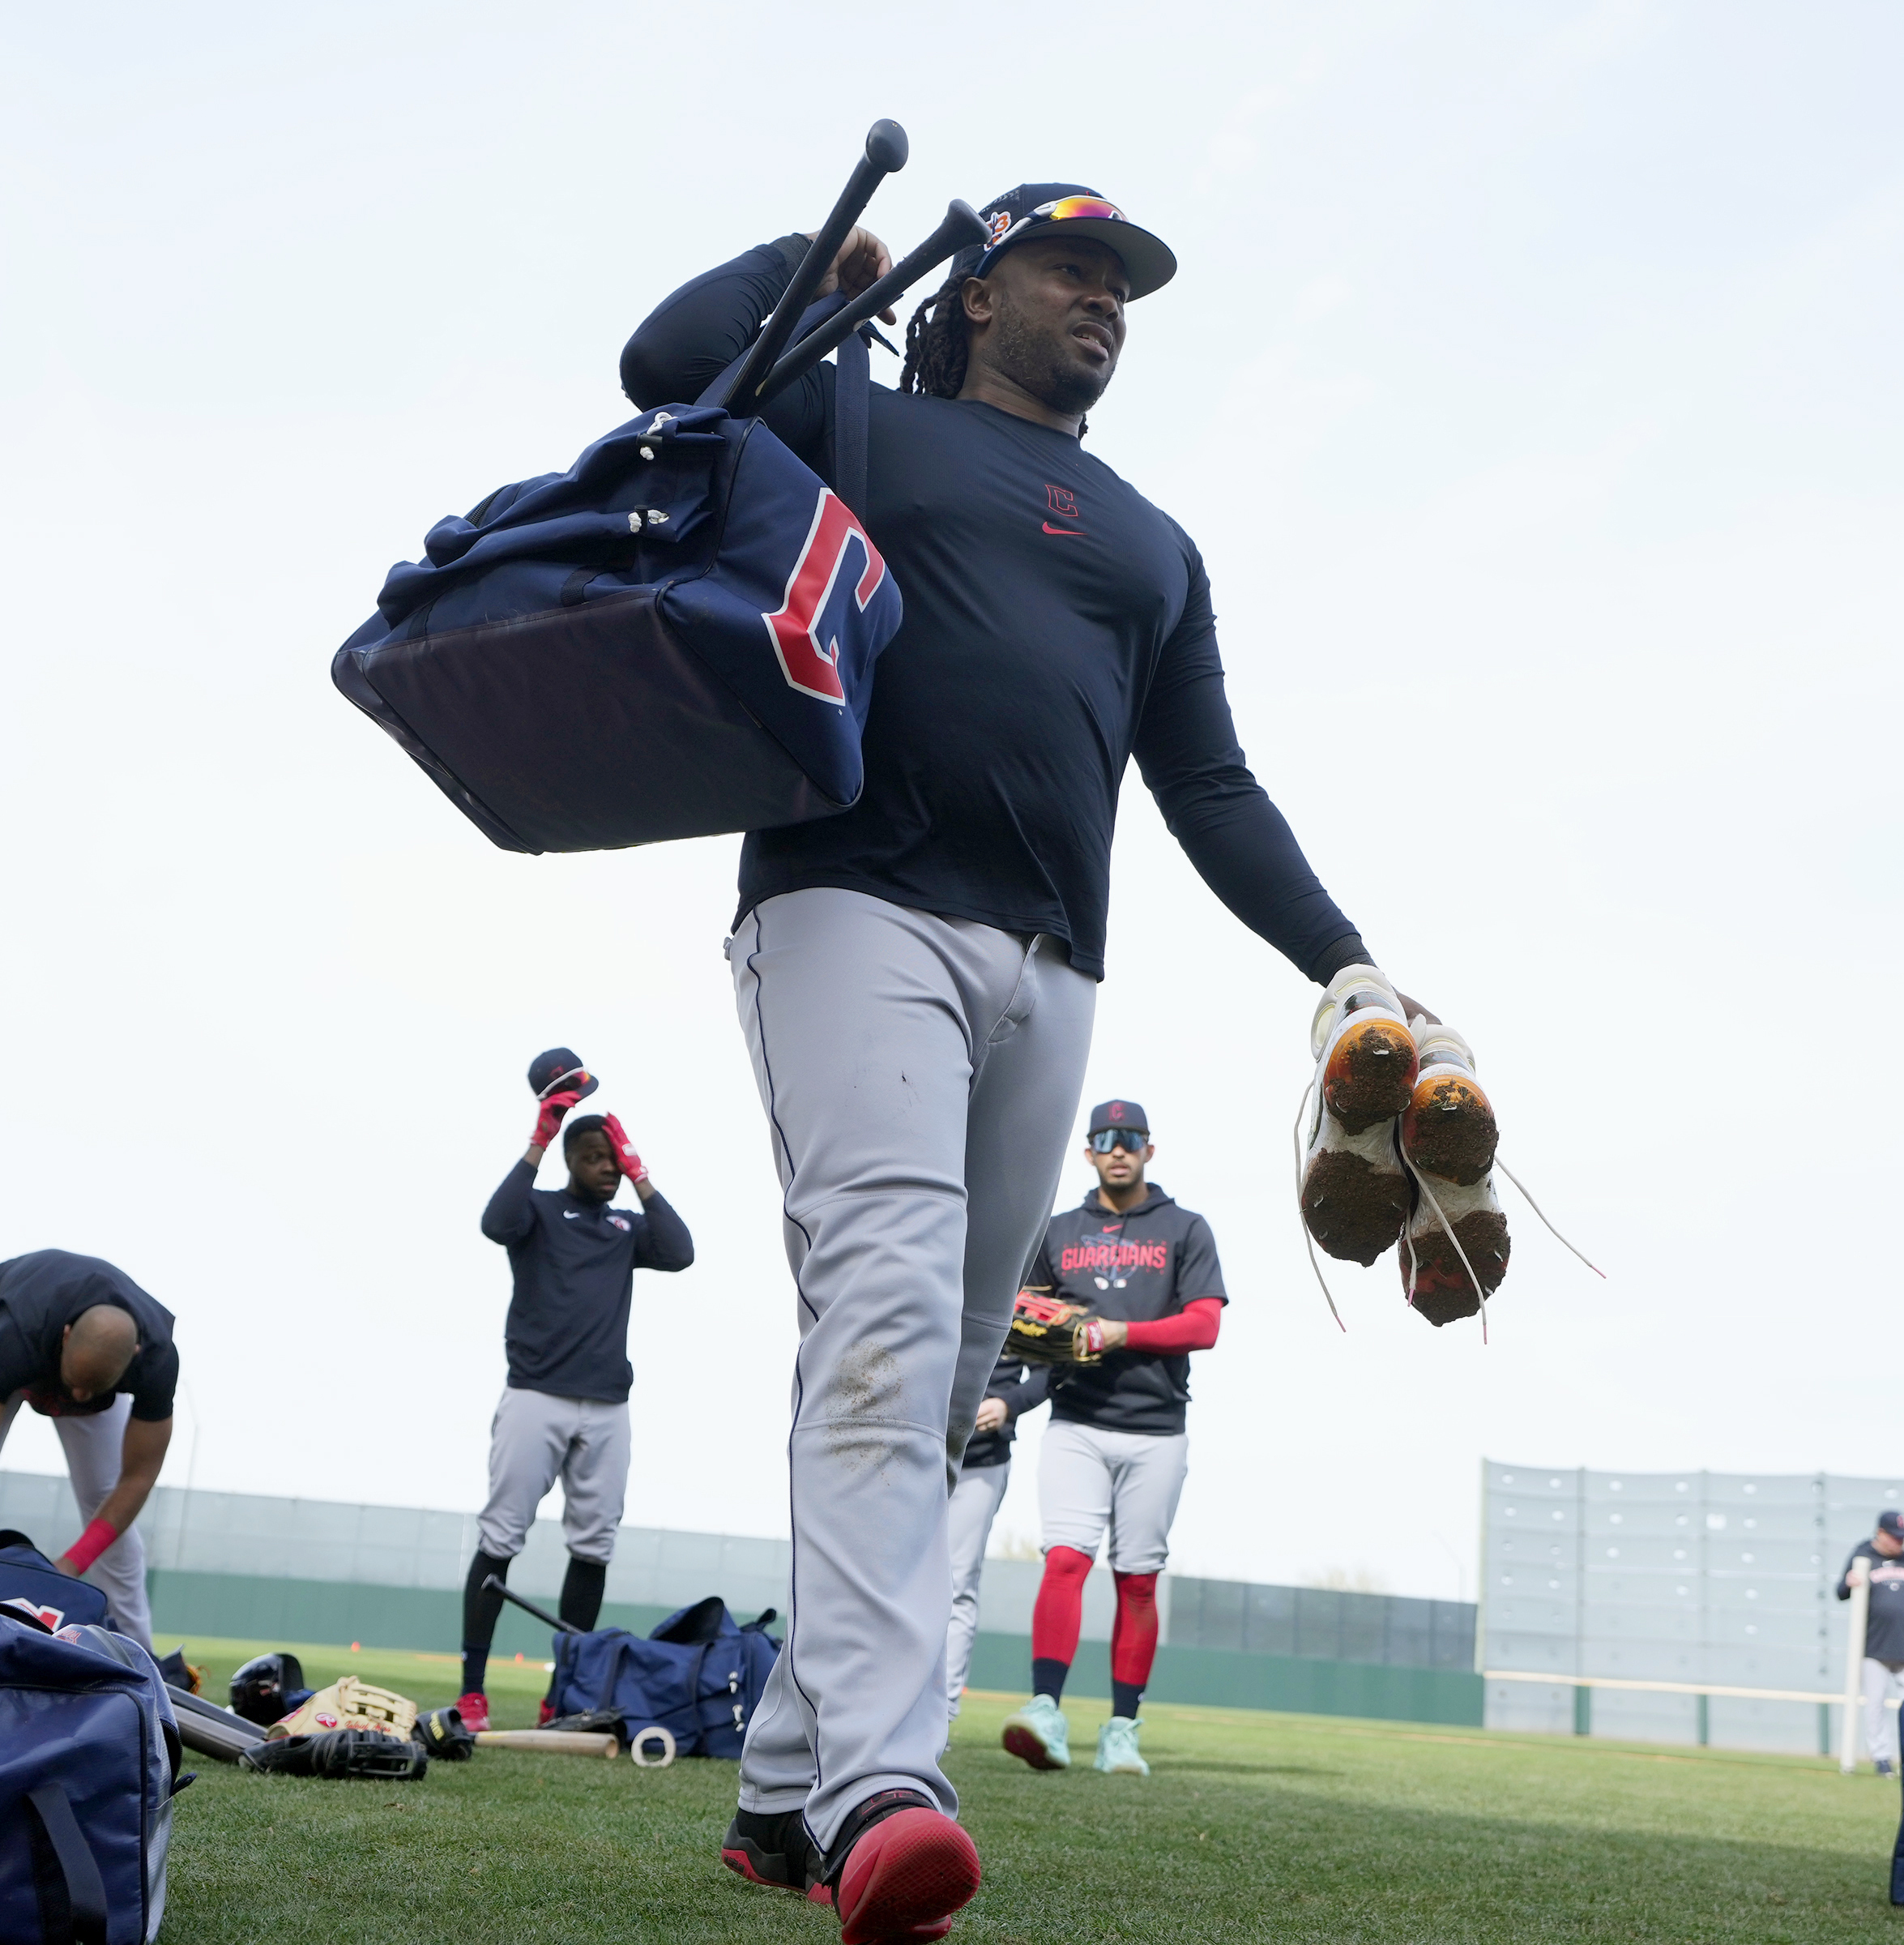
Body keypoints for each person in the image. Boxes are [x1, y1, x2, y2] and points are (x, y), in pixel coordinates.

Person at [625, 186, 1407, 1939]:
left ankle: (770, 1786)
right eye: (1071, 267)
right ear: (973, 295)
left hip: (1054, 966)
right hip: (852, 906)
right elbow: (664, 368)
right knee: (891, 1328)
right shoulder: (860, 418)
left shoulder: (1154, 543)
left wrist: (1346, 964)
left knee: (951, 1377)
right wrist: (813, 274)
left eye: (1124, 283)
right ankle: (876, 1789)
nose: (1106, 299)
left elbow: (1207, 787)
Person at [452, 1049, 694, 1734]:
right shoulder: (535, 1212)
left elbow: (680, 1251)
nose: (608, 1167)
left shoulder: (627, 1229)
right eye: (596, 1156)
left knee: (594, 1547)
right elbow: (495, 1222)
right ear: (569, 1160)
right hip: (536, 1396)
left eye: (614, 1158)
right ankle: (473, 1689)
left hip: (607, 1407)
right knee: (502, 1537)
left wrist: (641, 1169)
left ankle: (570, 1691)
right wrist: (540, 1134)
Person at [1000, 1098, 1225, 1780]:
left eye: (1130, 1139)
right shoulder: (1059, 1229)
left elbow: (1204, 1325)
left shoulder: (1186, 1227)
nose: (1118, 1148)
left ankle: (1122, 1730)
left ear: (1149, 1151)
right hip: (1077, 1419)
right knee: (1065, 1561)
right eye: (1105, 1138)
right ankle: (1046, 1711)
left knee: (1137, 1580)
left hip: (1157, 1426)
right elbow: (1019, 1313)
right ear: (1089, 1151)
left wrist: (1123, 1331)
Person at [0, 1249, 178, 1645]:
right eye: (75, 1382)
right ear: (66, 1336)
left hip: (77, 1352)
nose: (78, 1396)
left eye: (92, 1389)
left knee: (103, 1497)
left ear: (132, 1358)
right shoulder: (19, 1337)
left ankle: (139, 1658)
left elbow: (137, 1479)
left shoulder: (156, 1360)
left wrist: (72, 1564)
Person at [941, 1354, 1049, 1732]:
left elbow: (1051, 1369)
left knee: (957, 1585)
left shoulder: (1025, 1294)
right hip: (907, 1445)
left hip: (981, 1458)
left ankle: (941, 1716)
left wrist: (1009, 1404)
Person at [1833, 1511, 1904, 1775]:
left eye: (1903, 1537)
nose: (1900, 1543)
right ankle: (1881, 1759)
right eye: (1895, 1537)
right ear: (1880, 1533)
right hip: (1874, 1646)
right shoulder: (1863, 1554)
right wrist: (1849, 1582)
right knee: (1875, 1704)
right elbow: (1840, 1592)